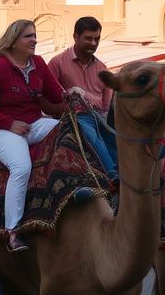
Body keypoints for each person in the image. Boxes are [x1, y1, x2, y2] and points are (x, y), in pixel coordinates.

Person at [0, 19, 68, 252]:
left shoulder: (37, 63)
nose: (34, 40)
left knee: (67, 132)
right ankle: (13, 231)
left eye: (35, 35)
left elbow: (56, 94)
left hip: (32, 124)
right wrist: (10, 123)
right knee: (21, 166)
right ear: (14, 40)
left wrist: (72, 93)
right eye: (28, 36)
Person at [48, 16, 118, 180]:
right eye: (88, 38)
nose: (93, 43)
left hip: (100, 118)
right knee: (87, 129)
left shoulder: (102, 68)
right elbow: (48, 98)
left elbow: (107, 104)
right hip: (72, 118)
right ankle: (112, 172)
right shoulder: (57, 63)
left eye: (97, 39)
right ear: (75, 37)